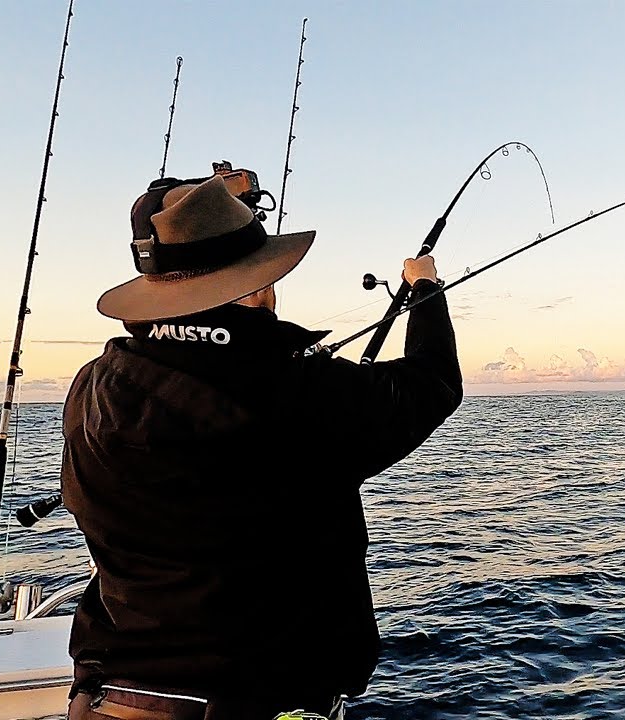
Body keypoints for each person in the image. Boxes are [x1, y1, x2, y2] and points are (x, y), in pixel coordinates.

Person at [60, 168, 462, 720]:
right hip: (249, 703)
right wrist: (424, 288)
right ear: (251, 286)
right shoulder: (297, 394)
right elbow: (431, 382)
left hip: (106, 701)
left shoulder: (93, 384)